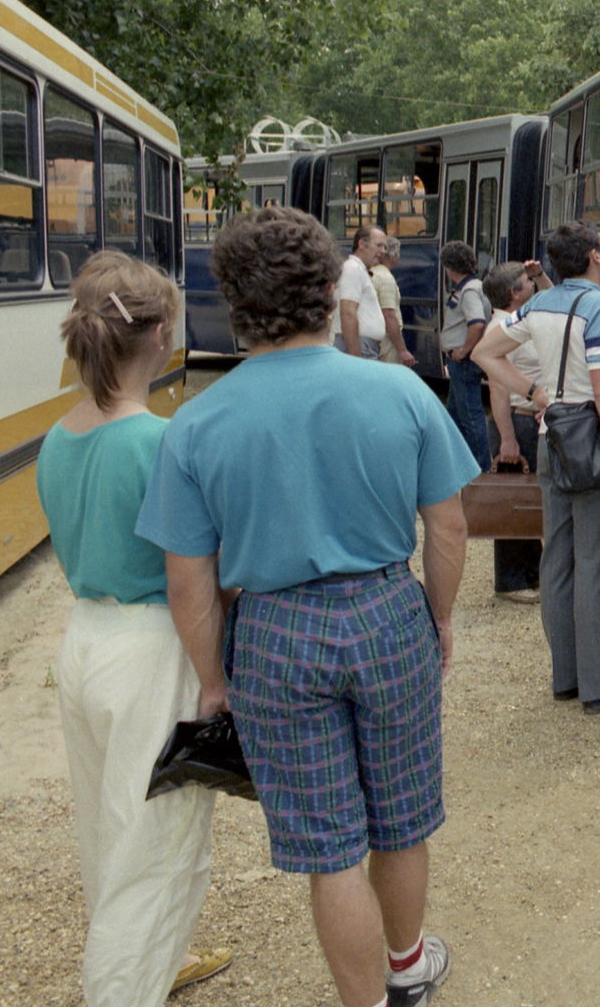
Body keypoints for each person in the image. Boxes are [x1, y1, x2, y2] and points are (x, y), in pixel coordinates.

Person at [139, 207, 477, 1007]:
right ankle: (407, 965)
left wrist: (212, 677)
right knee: (401, 819)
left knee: (331, 849)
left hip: (276, 632)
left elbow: (188, 579)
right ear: (331, 289)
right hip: (388, 609)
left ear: (233, 301)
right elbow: (450, 525)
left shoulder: (196, 425)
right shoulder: (398, 391)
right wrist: (439, 615)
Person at [36, 251, 233, 1006]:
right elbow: (200, 569)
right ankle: (124, 986)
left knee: (108, 828)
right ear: (158, 336)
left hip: (85, 639)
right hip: (152, 645)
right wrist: (215, 671)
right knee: (156, 843)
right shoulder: (156, 440)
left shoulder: (60, 435)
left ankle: (147, 963)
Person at [472, 221, 600, 712]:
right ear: (594, 256)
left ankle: (566, 675)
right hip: (591, 439)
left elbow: (485, 352)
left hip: (554, 437)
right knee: (594, 561)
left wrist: (533, 394)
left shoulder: (537, 304)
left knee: (558, 560)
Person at [478, 258, 550, 602]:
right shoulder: (500, 328)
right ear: (513, 293)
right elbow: (498, 388)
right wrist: (507, 438)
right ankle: (510, 581)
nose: (532, 284)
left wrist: (541, 275)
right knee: (513, 503)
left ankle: (531, 573)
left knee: (528, 501)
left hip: (527, 418)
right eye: (526, 280)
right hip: (517, 422)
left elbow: (556, 300)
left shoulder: (518, 319)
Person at [439, 240, 490, 468]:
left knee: (470, 415)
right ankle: (458, 461)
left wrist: (464, 350)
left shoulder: (469, 291)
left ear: (449, 267)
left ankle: (480, 465)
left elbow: (476, 323)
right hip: (461, 360)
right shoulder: (475, 286)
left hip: (464, 361)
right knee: (456, 414)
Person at [335, 224, 388, 360]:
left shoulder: (359, 270)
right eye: (379, 245)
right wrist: (355, 355)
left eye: (385, 247)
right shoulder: (353, 269)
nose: (383, 251)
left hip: (365, 346)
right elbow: (348, 312)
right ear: (362, 244)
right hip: (361, 346)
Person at [375, 238, 416, 366]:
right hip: (387, 342)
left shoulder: (371, 273)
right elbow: (389, 316)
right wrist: (402, 350)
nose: (399, 256)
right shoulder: (386, 279)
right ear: (391, 256)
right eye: (398, 252)